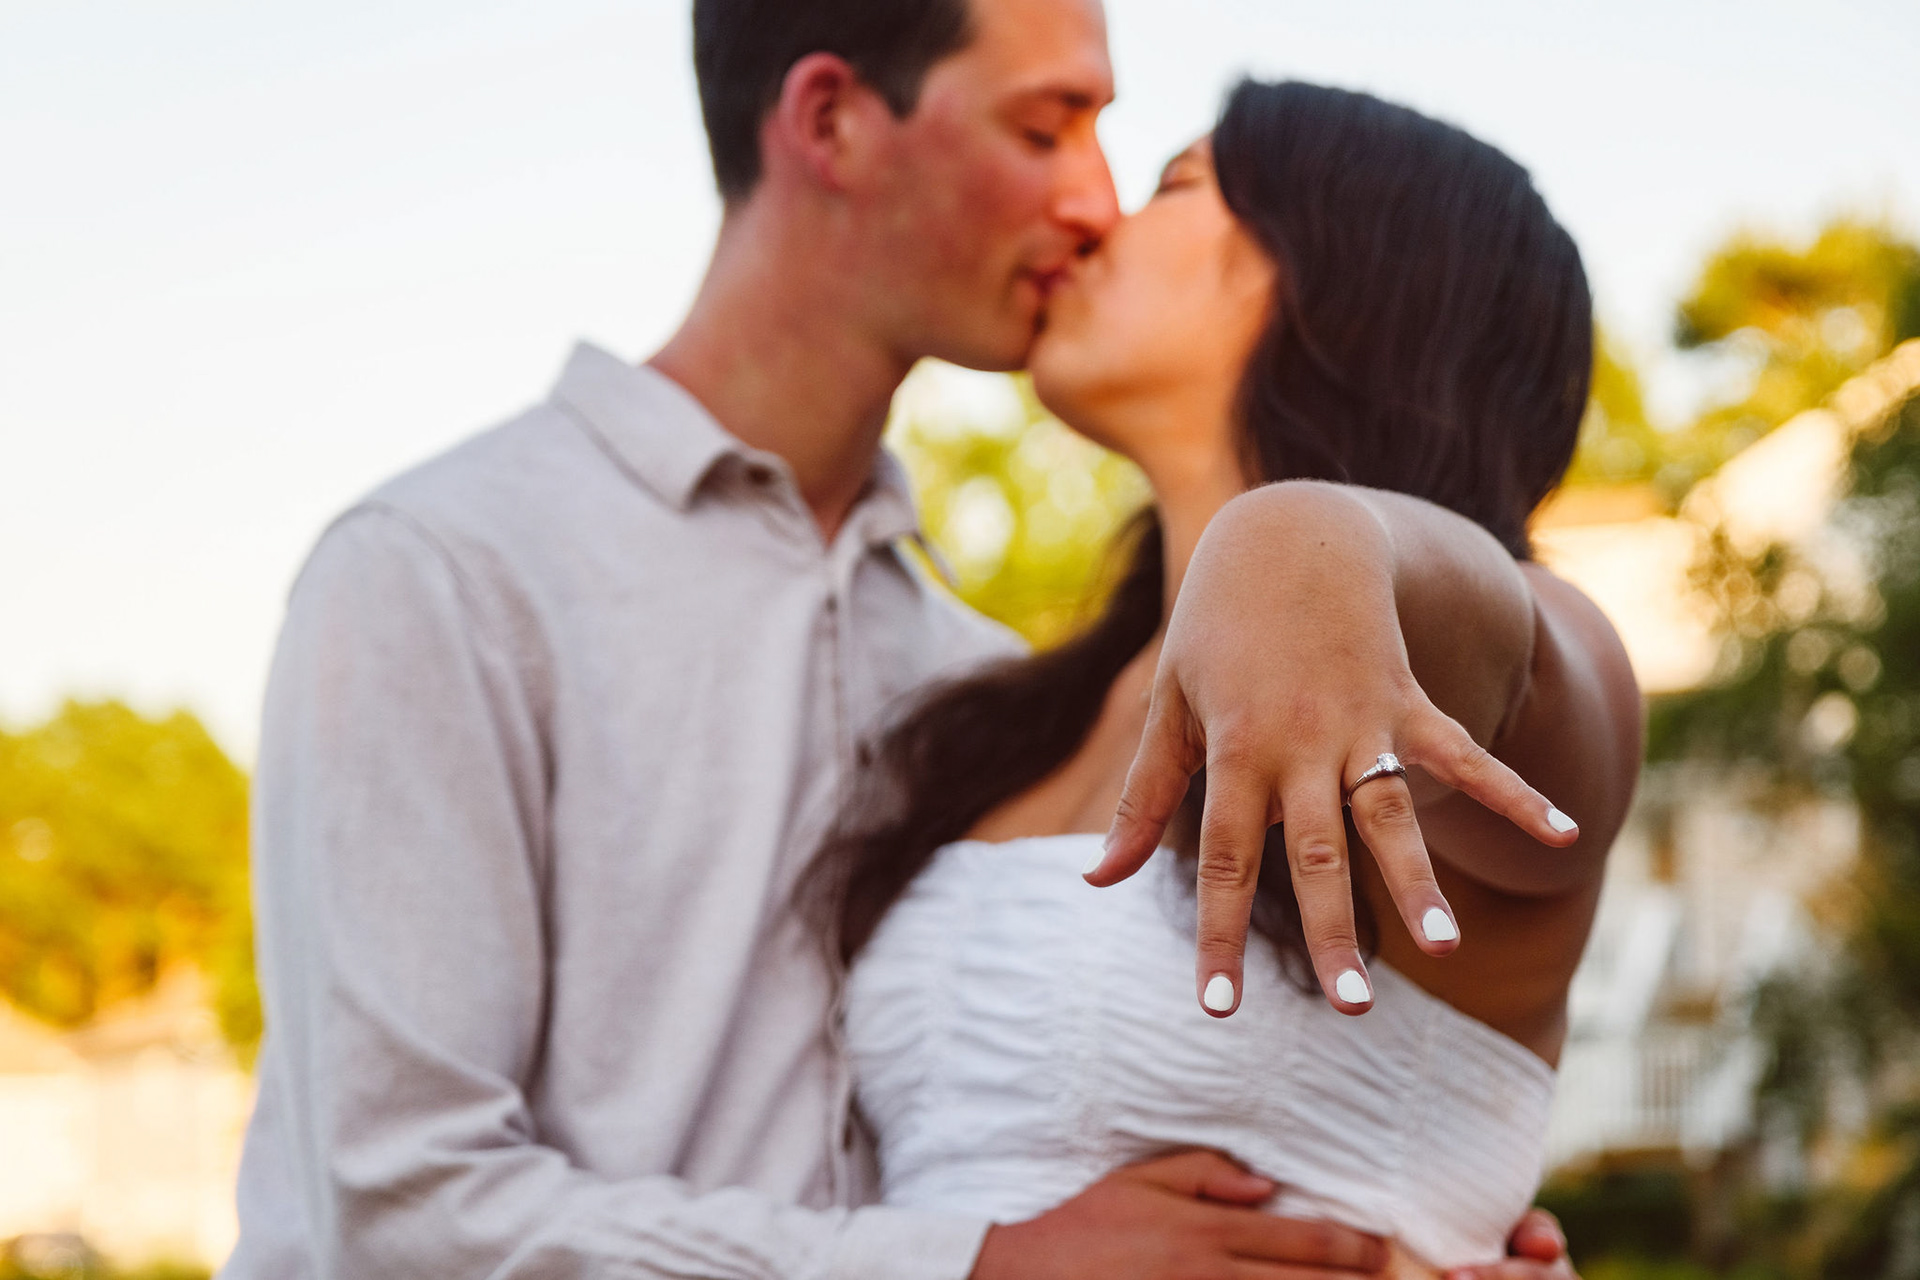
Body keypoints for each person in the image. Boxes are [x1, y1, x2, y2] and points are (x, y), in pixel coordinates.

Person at [222, 1, 1588, 1276]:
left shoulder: (974, 684)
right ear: (830, 123)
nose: (1090, 205)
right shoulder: (445, 573)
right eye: (1044, 129)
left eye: (1132, 158)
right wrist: (977, 1264)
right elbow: (389, 1206)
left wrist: (1424, 1193)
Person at [816, 79, 1643, 1278]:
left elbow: (1527, 660)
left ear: (1344, 274)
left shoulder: (1473, 672)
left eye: (1175, 186)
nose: (1096, 220)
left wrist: (1302, 537)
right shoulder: (1003, 719)